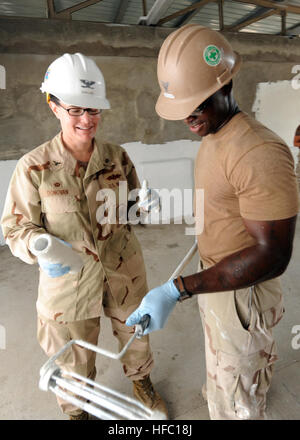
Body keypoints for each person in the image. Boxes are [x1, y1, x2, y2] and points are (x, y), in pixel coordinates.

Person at [126, 25, 299, 420]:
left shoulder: (257, 151)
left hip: (242, 294)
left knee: (238, 399)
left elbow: (272, 255)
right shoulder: (215, 133)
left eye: (197, 104)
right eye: (182, 106)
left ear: (226, 85)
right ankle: (231, 387)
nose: (188, 116)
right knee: (231, 372)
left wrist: (178, 289)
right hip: (220, 279)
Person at [1, 52, 167, 420]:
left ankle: (142, 382)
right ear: (54, 107)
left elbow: (132, 210)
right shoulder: (33, 167)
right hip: (70, 283)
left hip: (124, 270)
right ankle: (77, 412)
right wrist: (37, 246)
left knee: (135, 336)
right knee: (73, 359)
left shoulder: (117, 158)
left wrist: (143, 206)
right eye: (76, 110)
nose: (87, 120)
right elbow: (14, 227)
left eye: (93, 110)